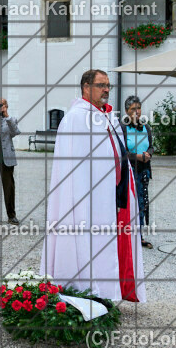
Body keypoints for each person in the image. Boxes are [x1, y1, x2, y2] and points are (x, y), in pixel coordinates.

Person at [40, 70, 146, 303]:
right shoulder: (76, 118)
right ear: (86, 88)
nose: (107, 90)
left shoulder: (106, 116)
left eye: (108, 85)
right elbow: (72, 169)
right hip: (88, 200)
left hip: (111, 196)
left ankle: (108, 292)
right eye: (101, 85)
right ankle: (87, 291)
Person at [122, 95, 154, 249]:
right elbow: (122, 153)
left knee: (142, 203)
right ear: (127, 111)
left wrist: (148, 154)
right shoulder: (123, 128)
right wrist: (138, 157)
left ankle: (139, 235)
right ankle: (128, 235)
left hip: (144, 171)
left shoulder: (145, 127)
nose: (136, 112)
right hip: (129, 170)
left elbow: (152, 146)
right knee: (130, 203)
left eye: (138, 108)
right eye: (133, 109)